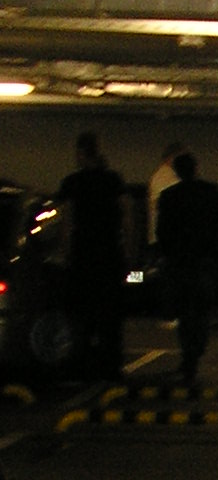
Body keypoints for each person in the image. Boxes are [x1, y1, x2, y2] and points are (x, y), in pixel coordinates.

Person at [56, 130, 126, 378]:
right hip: (109, 254)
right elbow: (126, 216)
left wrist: (65, 253)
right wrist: (127, 252)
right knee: (110, 314)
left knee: (81, 313)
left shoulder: (72, 183)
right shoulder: (113, 180)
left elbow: (67, 221)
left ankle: (82, 361)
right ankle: (111, 364)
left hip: (82, 255)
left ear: (81, 153)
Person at [155, 151, 218, 383]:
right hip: (205, 260)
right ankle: (196, 350)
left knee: (184, 310)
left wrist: (165, 254)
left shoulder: (169, 197)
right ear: (196, 168)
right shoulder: (212, 192)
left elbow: (162, 231)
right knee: (201, 309)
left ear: (176, 172)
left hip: (179, 261)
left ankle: (189, 355)